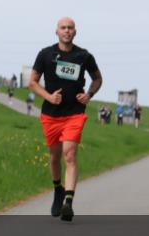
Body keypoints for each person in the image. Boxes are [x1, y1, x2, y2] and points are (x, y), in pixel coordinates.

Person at [29, 17, 102, 223]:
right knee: (54, 157)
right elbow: (32, 82)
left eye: (70, 28)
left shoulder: (84, 56)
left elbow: (98, 78)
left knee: (69, 154)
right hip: (51, 114)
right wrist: (49, 97)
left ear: (75, 32)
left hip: (75, 113)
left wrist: (89, 94)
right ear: (57, 31)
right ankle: (57, 189)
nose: (67, 31)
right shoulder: (45, 54)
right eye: (63, 28)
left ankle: (68, 202)